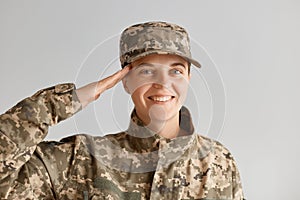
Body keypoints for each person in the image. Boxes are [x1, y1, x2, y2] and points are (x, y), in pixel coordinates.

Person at [0, 21, 245, 199]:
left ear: (188, 78)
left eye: (176, 70)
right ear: (125, 81)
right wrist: (71, 99)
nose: (163, 83)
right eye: (146, 70)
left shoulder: (218, 162)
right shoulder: (82, 159)